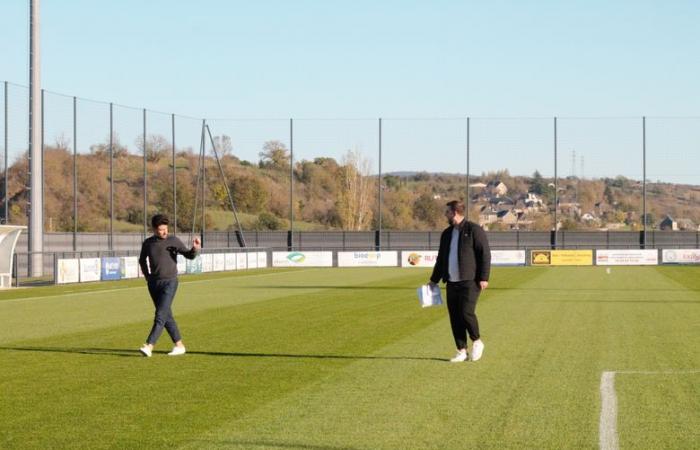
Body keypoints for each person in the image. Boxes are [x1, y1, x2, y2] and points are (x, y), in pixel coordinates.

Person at [429, 200, 491, 362]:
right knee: (455, 316)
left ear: (455, 212)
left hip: (470, 281)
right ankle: (461, 350)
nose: (445, 215)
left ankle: (477, 341)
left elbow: (484, 254)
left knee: (466, 312)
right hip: (451, 282)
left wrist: (484, 277)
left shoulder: (474, 230)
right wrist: (433, 280)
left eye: (447, 212)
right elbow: (441, 259)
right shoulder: (447, 234)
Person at [138, 214, 201, 357]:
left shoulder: (174, 241)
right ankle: (179, 345)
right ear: (154, 229)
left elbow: (189, 256)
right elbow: (142, 260)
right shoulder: (148, 243)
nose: (165, 232)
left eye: (166, 229)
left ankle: (149, 345)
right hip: (154, 284)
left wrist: (195, 248)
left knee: (160, 315)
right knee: (166, 316)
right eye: (161, 229)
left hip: (170, 282)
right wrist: (148, 277)